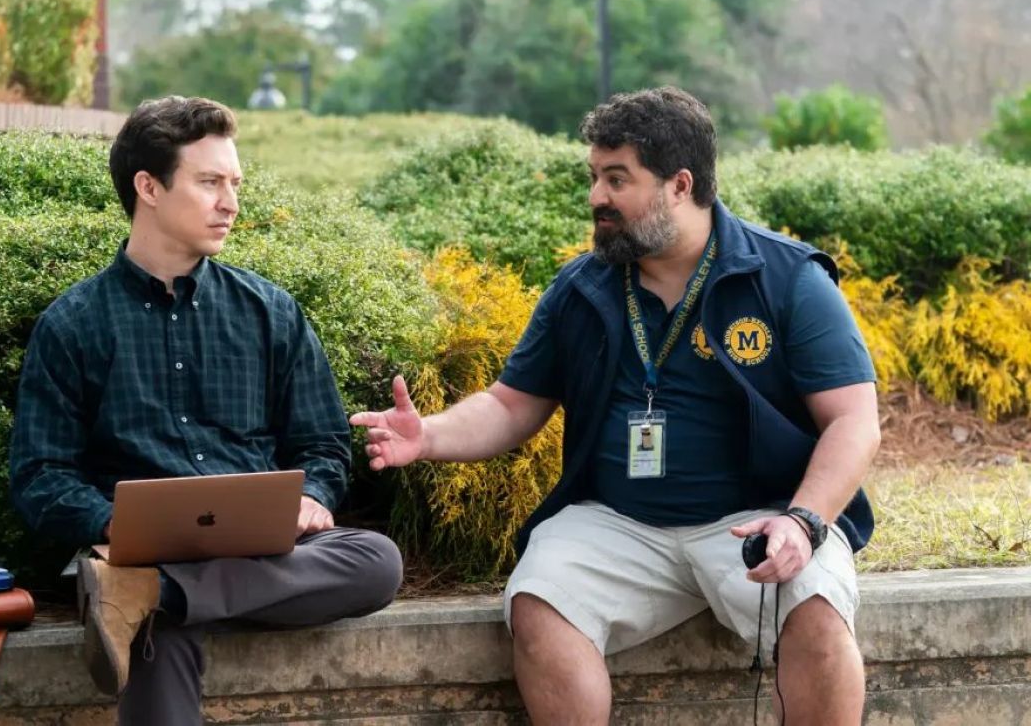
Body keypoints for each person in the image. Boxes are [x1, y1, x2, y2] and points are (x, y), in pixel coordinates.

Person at [351, 87, 879, 725]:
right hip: (620, 524)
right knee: (540, 602)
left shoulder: (788, 278)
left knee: (818, 613)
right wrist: (427, 436)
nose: (597, 197)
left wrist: (804, 520)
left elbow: (853, 421)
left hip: (759, 519)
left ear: (679, 184)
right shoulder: (584, 287)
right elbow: (511, 404)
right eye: (595, 177)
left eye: (617, 178)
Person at [9, 96, 403, 725]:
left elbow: (323, 442)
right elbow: (39, 475)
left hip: (259, 557)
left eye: (235, 183)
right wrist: (115, 524)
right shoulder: (75, 324)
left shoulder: (269, 312)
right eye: (210, 182)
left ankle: (156, 597)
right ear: (149, 187)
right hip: (141, 553)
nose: (231, 203)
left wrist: (315, 497)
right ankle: (150, 590)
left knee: (376, 561)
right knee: (148, 632)